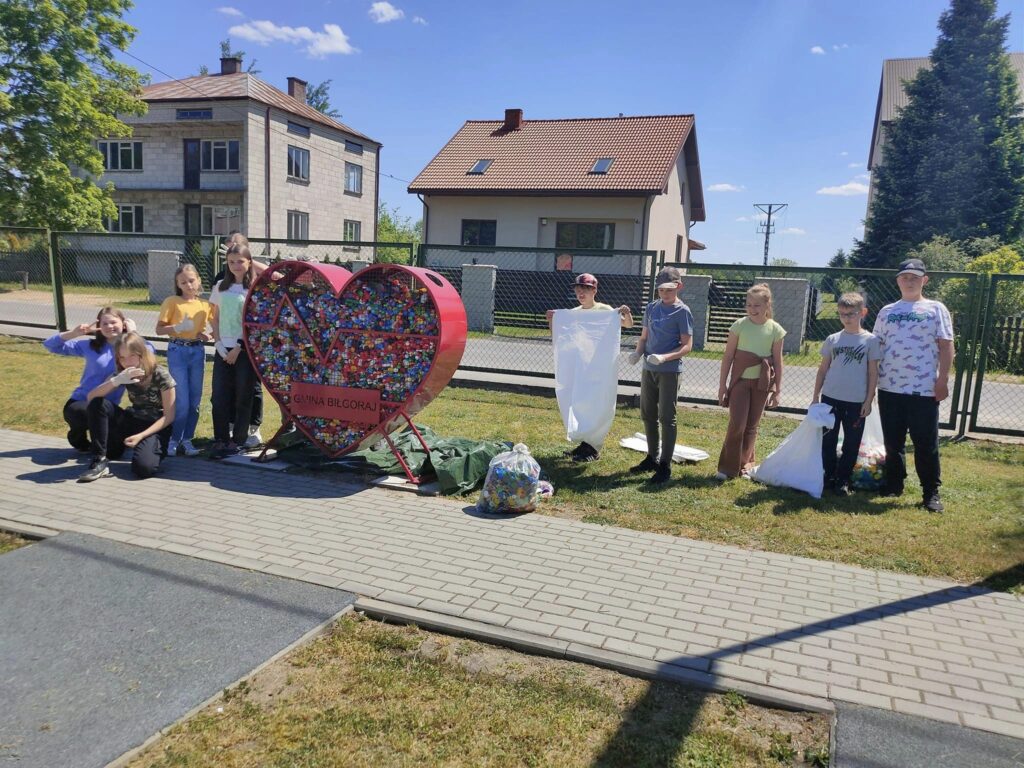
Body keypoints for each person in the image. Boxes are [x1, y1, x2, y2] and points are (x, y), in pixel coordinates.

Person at [872, 258, 954, 513]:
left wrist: (942, 380)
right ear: (897, 280)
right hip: (890, 388)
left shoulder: (935, 309)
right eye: (904, 277)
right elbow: (876, 348)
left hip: (923, 389)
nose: (909, 281)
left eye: (914, 277)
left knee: (925, 443)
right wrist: (871, 384)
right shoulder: (887, 311)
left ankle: (930, 492)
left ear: (924, 280)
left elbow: (946, 345)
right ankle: (894, 483)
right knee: (893, 442)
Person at [546, 273, 634, 462]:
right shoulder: (575, 313)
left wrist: (626, 313)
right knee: (581, 401)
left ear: (594, 290)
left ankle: (594, 447)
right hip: (582, 367)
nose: (580, 293)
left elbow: (627, 324)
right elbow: (563, 337)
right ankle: (585, 444)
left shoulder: (605, 310)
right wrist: (553, 320)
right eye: (578, 290)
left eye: (585, 289)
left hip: (600, 368)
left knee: (597, 402)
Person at [78, 332, 176, 482]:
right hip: (132, 418)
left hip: (155, 425)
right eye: (122, 357)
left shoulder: (160, 374)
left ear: (141, 354)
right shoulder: (123, 372)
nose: (127, 362)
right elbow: (91, 397)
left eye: (131, 356)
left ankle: (144, 448)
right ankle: (99, 459)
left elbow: (169, 417)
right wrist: (117, 380)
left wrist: (141, 436)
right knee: (98, 404)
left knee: (143, 469)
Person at [627, 267, 693, 484]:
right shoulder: (651, 308)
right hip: (649, 369)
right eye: (661, 289)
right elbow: (644, 337)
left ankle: (665, 465)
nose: (664, 293)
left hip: (669, 372)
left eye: (669, 289)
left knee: (667, 417)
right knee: (647, 414)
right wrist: (638, 352)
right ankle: (652, 457)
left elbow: (687, 346)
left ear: (679, 287)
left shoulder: (683, 311)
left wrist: (665, 358)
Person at [812, 292, 880, 496]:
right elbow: (823, 369)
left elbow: (873, 372)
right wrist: (816, 396)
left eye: (851, 313)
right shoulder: (833, 339)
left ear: (863, 313)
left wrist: (868, 400)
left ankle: (843, 479)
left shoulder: (870, 341)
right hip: (830, 399)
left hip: (856, 402)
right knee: (828, 441)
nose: (846, 318)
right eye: (842, 314)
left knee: (851, 443)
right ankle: (828, 477)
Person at [716, 284, 785, 480]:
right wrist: (723, 385)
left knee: (752, 426)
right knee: (737, 423)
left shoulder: (776, 330)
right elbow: (728, 357)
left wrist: (778, 390)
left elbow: (778, 362)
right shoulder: (739, 326)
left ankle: (745, 465)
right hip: (740, 383)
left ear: (767, 305)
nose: (752, 309)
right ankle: (728, 468)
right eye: (749, 305)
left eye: (757, 305)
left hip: (762, 384)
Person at [43, 306, 131, 451]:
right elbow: (50, 345)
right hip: (82, 402)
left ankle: (106, 438)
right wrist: (74, 333)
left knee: (115, 451)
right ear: (99, 327)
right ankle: (78, 437)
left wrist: (132, 333)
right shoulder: (89, 346)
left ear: (124, 323)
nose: (109, 326)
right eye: (104, 324)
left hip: (108, 407)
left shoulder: (131, 348)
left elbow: (147, 352)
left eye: (113, 322)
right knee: (81, 412)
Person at [155, 264, 214, 458]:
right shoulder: (172, 301)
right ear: (178, 284)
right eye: (183, 282)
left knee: (195, 400)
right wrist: (177, 327)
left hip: (197, 351)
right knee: (181, 399)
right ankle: (174, 439)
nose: (188, 285)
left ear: (198, 280)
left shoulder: (205, 304)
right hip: (177, 350)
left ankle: (187, 439)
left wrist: (207, 336)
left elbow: (214, 329)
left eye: (191, 280)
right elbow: (159, 330)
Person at [214, 232, 264, 448]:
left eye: (240, 261)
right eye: (231, 262)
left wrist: (238, 347)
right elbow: (214, 317)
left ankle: (240, 440)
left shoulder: (253, 289)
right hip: (222, 349)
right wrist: (218, 344)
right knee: (220, 397)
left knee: (244, 395)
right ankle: (221, 439)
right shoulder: (220, 287)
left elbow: (254, 323)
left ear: (249, 262)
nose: (235, 265)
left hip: (243, 350)